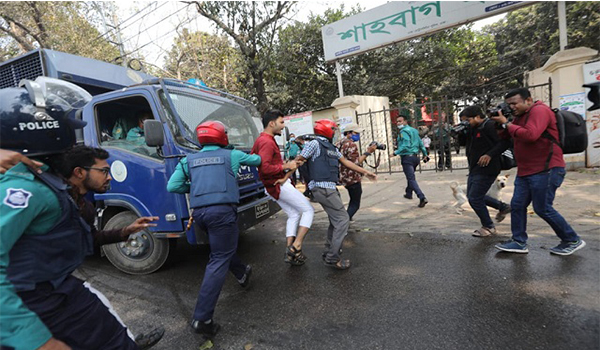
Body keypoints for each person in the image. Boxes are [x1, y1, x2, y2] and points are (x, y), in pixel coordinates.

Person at [0, 80, 140, 349]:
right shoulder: (27, 189)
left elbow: (86, 236)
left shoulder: (45, 182)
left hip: (57, 294)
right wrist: (35, 339)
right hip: (44, 304)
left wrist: (125, 231)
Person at [167, 120, 259, 338]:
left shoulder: (187, 160)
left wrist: (197, 185)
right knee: (219, 258)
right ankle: (202, 318)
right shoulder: (232, 155)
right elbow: (257, 160)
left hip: (200, 215)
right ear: (222, 136)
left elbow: (173, 186)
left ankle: (242, 273)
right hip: (222, 213)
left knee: (222, 250)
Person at [491, 88, 586, 255]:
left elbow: (531, 135)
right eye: (509, 104)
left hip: (546, 169)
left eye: (515, 103)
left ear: (528, 100)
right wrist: (501, 125)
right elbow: (508, 137)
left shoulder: (540, 111)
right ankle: (519, 242)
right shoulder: (518, 117)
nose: (512, 107)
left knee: (542, 208)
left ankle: (572, 239)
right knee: (518, 205)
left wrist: (507, 123)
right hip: (526, 170)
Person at [297, 119, 377, 270]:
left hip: (329, 188)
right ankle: (333, 257)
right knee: (342, 220)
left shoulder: (331, 147)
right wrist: (284, 176)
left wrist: (366, 172)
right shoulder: (314, 144)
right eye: (333, 130)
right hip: (323, 188)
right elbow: (300, 160)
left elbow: (347, 163)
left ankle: (328, 252)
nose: (334, 133)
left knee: (336, 220)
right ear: (326, 130)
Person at [251, 110, 314, 265]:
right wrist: (286, 165)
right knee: (308, 210)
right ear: (271, 123)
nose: (283, 126)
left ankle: (290, 253)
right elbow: (264, 167)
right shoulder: (266, 141)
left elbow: (257, 160)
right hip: (278, 185)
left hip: (272, 185)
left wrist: (287, 166)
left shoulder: (261, 139)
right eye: (281, 123)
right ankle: (296, 247)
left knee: (293, 214)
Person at [459, 106, 512, 237]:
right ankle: (503, 207)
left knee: (474, 199)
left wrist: (489, 154)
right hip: (475, 168)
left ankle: (488, 226)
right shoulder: (473, 128)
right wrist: (461, 132)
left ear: (477, 117)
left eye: (467, 120)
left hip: (488, 168)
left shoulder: (490, 126)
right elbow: (462, 144)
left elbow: (505, 143)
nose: (466, 123)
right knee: (474, 195)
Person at [336, 123, 377, 221]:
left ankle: (345, 219)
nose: (358, 135)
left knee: (352, 199)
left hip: (342, 176)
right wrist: (368, 152)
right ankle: (345, 221)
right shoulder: (351, 144)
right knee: (355, 203)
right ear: (349, 133)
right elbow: (356, 162)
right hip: (352, 176)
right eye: (356, 133)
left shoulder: (339, 143)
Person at [394, 116, 430, 208]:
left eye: (400, 121)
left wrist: (395, 153)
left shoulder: (403, 132)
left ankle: (421, 197)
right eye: (397, 121)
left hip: (407, 158)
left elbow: (405, 145)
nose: (398, 123)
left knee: (411, 178)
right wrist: (425, 154)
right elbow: (421, 144)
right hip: (415, 158)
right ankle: (408, 193)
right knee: (411, 176)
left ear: (405, 121)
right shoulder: (414, 131)